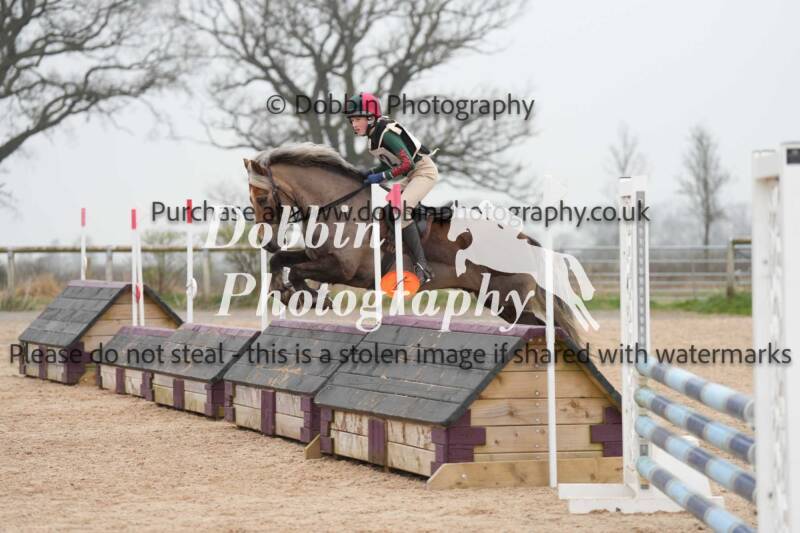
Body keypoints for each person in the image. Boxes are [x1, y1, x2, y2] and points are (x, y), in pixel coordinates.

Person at [346, 91, 438, 285]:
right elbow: (390, 163)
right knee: (387, 210)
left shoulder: (385, 134)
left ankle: (422, 264)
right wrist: (371, 172)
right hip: (411, 175)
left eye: (357, 119)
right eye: (352, 120)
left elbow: (407, 163)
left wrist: (381, 176)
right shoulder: (374, 137)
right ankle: (396, 253)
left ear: (370, 118)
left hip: (424, 172)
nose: (354, 124)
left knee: (400, 209)